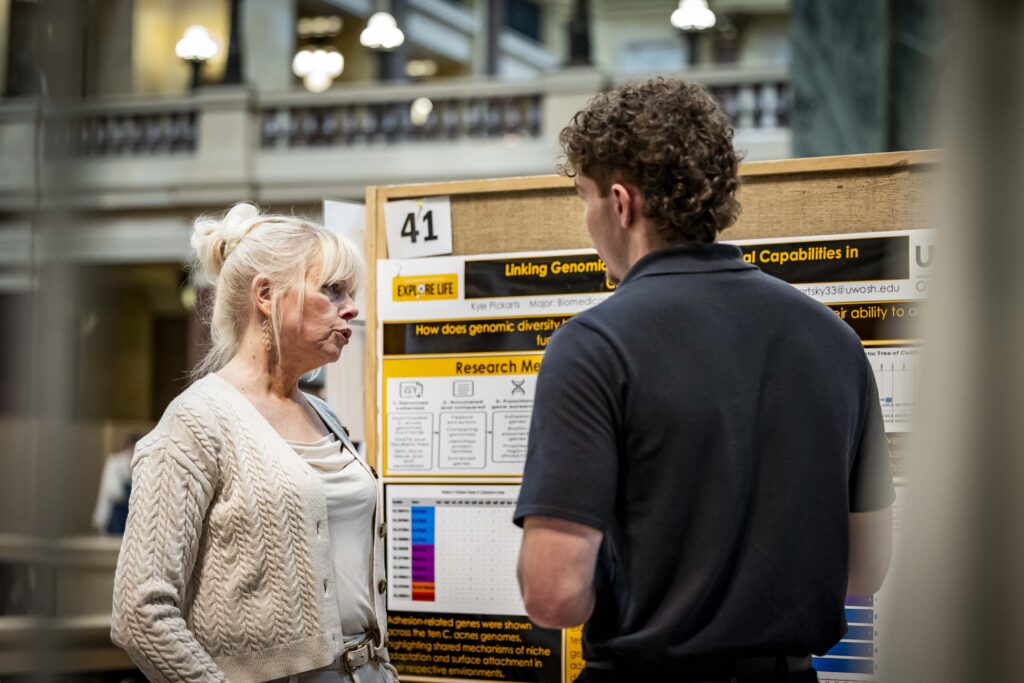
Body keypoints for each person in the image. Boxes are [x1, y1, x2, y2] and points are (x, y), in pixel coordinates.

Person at [514, 78, 895, 682]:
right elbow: (866, 569)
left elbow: (555, 595)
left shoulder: (593, 346)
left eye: (584, 197)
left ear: (620, 202)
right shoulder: (833, 340)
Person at [111, 203, 397, 683]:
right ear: (266, 294)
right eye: (332, 290)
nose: (351, 308)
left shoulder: (324, 416)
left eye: (350, 293)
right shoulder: (197, 422)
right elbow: (140, 610)